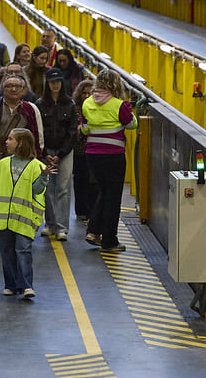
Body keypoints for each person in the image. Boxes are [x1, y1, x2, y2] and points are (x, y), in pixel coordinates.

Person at [0, 128, 48, 299]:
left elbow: (37, 190)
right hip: (4, 217)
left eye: (10, 139)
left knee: (23, 250)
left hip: (25, 218)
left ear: (20, 143)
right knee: (6, 251)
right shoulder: (1, 165)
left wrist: (43, 177)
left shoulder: (37, 166)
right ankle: (10, 284)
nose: (6, 142)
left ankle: (27, 285)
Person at [80, 69, 136, 254]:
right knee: (113, 198)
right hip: (113, 156)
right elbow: (131, 124)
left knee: (104, 193)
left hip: (93, 155)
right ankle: (109, 241)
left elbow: (85, 129)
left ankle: (93, 232)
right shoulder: (119, 105)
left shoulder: (87, 103)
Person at [38, 67, 76, 241]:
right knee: (47, 189)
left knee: (62, 188)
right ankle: (50, 224)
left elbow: (72, 133)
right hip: (46, 152)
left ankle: (62, 227)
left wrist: (60, 155)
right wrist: (45, 153)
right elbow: (37, 130)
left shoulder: (70, 104)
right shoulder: (39, 104)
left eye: (58, 82)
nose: (56, 85)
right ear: (48, 84)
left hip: (64, 152)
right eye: (53, 82)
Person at [0, 74, 43, 158]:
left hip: (22, 156)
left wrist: (38, 157)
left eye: (17, 86)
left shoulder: (29, 109)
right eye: (9, 86)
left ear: (22, 90)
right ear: (3, 89)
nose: (13, 89)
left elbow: (34, 136)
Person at [71, 79, 98, 224]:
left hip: (92, 149)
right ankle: (80, 210)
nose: (86, 96)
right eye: (84, 93)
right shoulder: (75, 109)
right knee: (79, 180)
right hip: (79, 151)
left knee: (91, 182)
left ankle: (89, 210)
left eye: (89, 93)